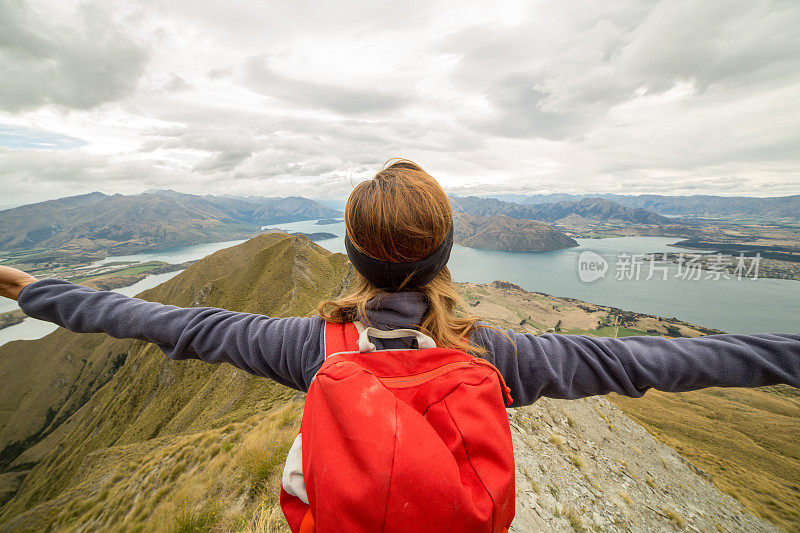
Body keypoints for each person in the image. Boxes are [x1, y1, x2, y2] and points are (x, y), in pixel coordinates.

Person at [1, 159, 799, 406]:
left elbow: (165, 323)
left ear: (352, 257)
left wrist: (31, 289)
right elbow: (653, 364)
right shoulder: (499, 359)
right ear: (447, 255)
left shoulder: (308, 348)